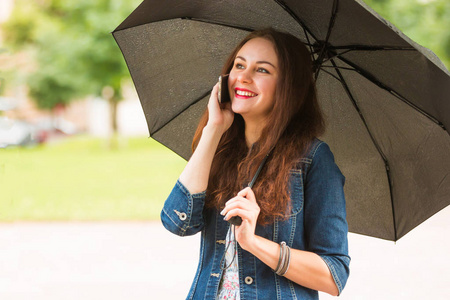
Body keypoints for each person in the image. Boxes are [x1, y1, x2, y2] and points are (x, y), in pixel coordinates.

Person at [161, 28, 350, 299]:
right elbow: (178, 222)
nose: (243, 78)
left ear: (288, 86)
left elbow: (334, 275)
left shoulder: (313, 158)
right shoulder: (221, 147)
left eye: (262, 70)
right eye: (239, 65)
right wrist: (213, 129)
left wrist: (254, 243)